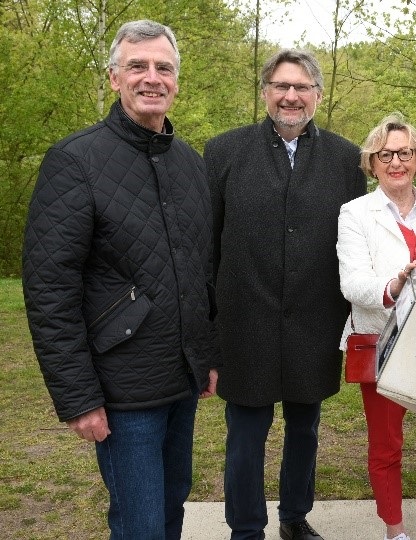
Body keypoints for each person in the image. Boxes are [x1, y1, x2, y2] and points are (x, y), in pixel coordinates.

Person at [21, 19, 219, 539]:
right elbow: (49, 288)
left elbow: (200, 272)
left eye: (163, 67)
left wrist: (208, 355)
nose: (151, 77)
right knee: (141, 525)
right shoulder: (75, 160)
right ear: (114, 78)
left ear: (176, 80)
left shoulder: (189, 164)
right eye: (138, 66)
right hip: (121, 390)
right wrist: (78, 396)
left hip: (180, 380)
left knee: (172, 508)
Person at [205, 49, 366, 540]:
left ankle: (295, 518)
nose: (291, 96)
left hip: (314, 324)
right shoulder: (224, 152)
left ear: (318, 94)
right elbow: (206, 245)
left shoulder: (344, 158)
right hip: (243, 322)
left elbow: (355, 241)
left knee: (305, 431)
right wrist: (209, 327)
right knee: (246, 437)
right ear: (265, 93)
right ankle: (246, 528)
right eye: (281, 86)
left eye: (301, 87)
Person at [336, 114, 416, 540]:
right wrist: (396, 282)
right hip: (384, 344)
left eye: (404, 152)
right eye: (385, 154)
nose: (396, 162)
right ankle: (395, 529)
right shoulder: (355, 214)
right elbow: (352, 283)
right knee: (387, 444)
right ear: (372, 163)